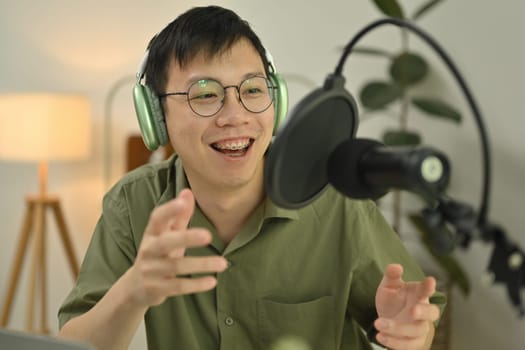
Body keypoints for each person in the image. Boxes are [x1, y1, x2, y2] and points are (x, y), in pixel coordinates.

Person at [58, 5, 445, 350]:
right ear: (157, 118)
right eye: (205, 95)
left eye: (253, 90)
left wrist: (411, 333)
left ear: (277, 103)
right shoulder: (132, 204)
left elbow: (413, 320)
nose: (235, 116)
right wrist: (134, 290)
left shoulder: (333, 196)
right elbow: (73, 344)